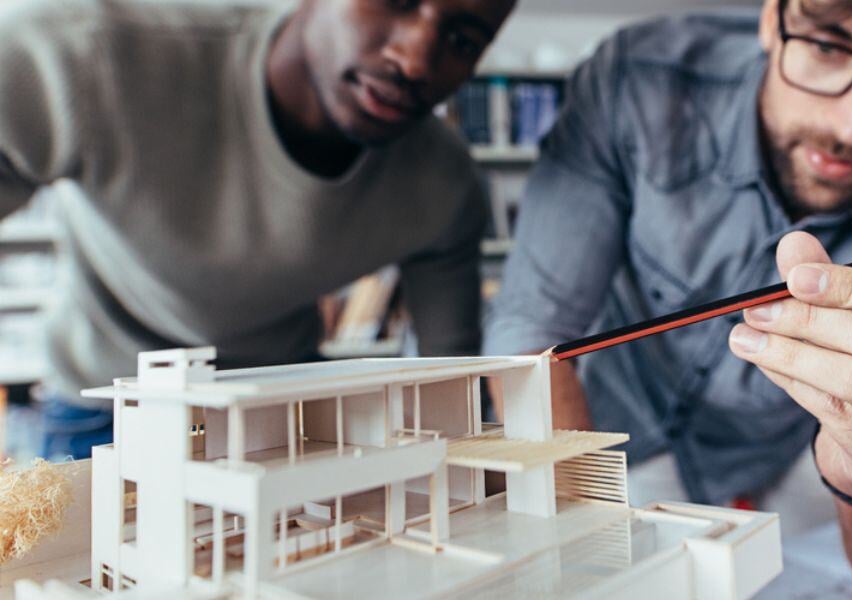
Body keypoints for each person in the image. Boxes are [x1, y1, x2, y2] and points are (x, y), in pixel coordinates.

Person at [485, 0, 852, 596]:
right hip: (606, 444)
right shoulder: (639, 80)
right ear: (773, 17)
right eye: (828, 47)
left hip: (781, 473)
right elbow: (531, 331)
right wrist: (586, 549)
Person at [0, 0, 515, 459]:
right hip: (107, 403)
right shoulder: (87, 54)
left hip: (281, 409)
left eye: (463, 39)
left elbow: (452, 388)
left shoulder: (444, 186)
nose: (415, 60)